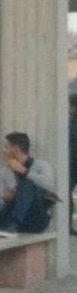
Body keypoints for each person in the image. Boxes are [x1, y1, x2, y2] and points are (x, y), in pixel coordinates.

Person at [0, 132, 58, 238]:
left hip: (35, 217)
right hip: (9, 214)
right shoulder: (5, 172)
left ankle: (13, 224)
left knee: (27, 183)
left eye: (6, 147)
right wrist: (6, 199)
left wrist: (23, 171)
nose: (3, 150)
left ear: (16, 149)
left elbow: (50, 186)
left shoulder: (41, 165)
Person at [69, 95, 77, 235]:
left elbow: (70, 137)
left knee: (66, 191)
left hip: (74, 162)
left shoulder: (73, 123)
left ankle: (68, 226)